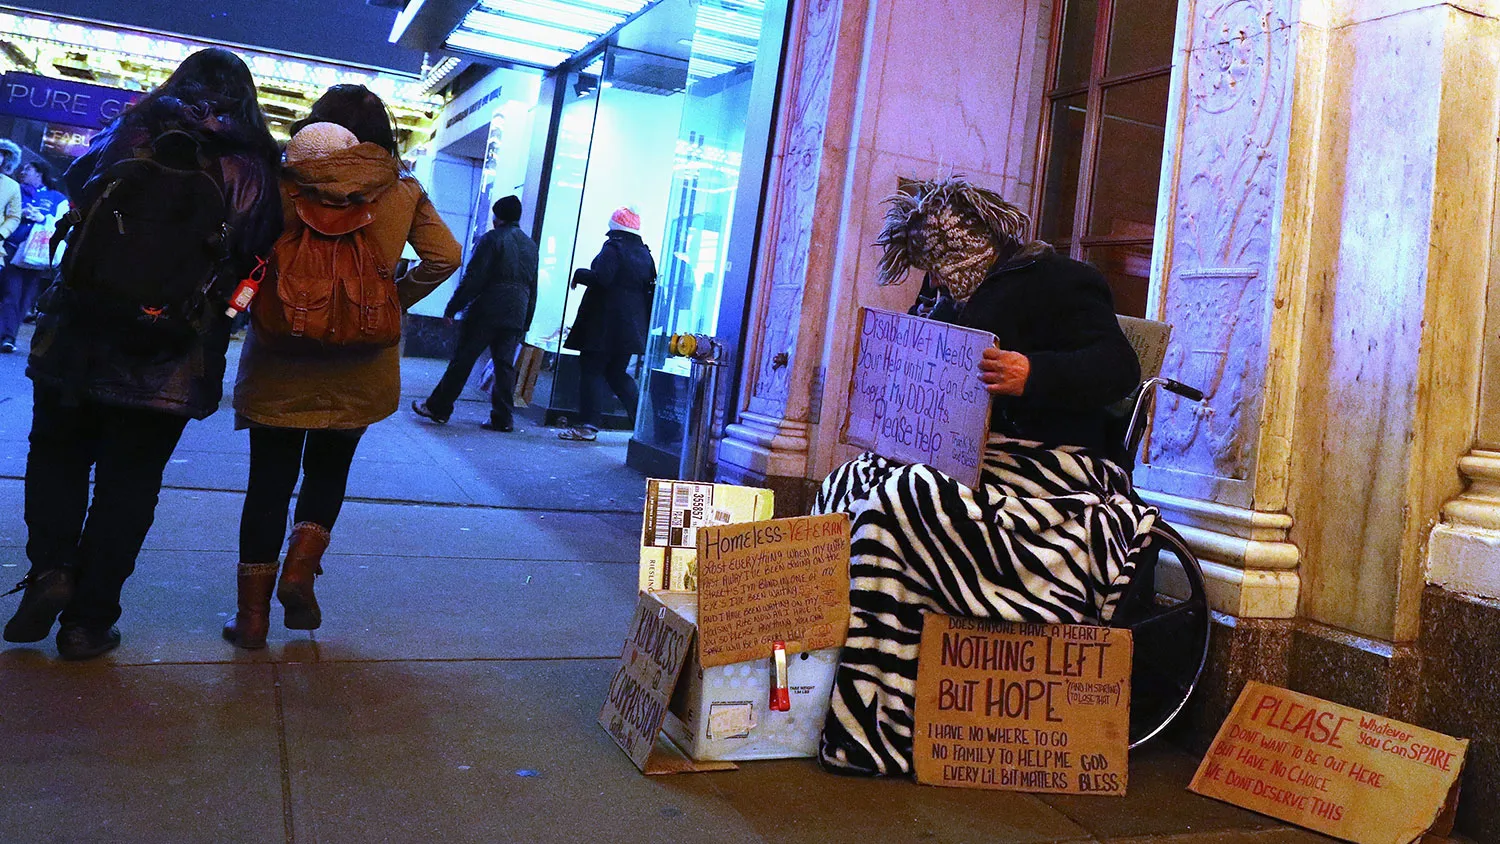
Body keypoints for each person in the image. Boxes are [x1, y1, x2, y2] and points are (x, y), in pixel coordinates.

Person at [811, 176, 1156, 776]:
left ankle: (879, 719)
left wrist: (1035, 373)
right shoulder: (944, 294)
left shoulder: (1060, 281)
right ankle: (825, 679)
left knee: (901, 501)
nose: (938, 276)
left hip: (1049, 464)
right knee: (850, 481)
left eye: (942, 261)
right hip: (970, 457)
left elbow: (1116, 366)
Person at [1, 48, 282, 660]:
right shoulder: (255, 165)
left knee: (57, 456)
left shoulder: (135, 129)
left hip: (79, 334)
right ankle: (89, 622)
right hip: (172, 353)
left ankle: (51, 568)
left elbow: (78, 192)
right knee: (131, 483)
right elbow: (257, 255)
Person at [225, 88, 461, 649]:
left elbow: (240, 249)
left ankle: (251, 619)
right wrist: (391, 300)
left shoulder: (284, 182)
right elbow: (446, 256)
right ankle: (300, 572)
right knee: (329, 471)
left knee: (268, 482)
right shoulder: (401, 189)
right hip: (361, 363)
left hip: (282, 355)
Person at [412, 194, 539, 431]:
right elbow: (533, 286)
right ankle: (502, 418)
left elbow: (475, 277)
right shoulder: (530, 246)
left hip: (488, 309)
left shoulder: (492, 239)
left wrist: (454, 306)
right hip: (516, 313)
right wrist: (526, 321)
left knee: (464, 359)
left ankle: (438, 407)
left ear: (498, 217)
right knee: (504, 367)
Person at [558, 206, 655, 442]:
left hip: (602, 325)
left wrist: (580, 274)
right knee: (618, 374)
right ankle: (643, 425)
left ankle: (588, 425)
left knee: (592, 371)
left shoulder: (613, 247)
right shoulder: (645, 252)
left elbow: (603, 278)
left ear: (614, 226)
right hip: (630, 328)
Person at [0, 160, 68, 352]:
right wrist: (20, 213)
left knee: (26, 297)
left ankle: (8, 333)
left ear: (39, 173)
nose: (23, 172)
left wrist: (43, 218)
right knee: (11, 293)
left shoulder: (56, 198)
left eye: (28, 169)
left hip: (38, 254)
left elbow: (63, 222)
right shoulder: (17, 190)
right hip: (15, 248)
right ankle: (8, 336)